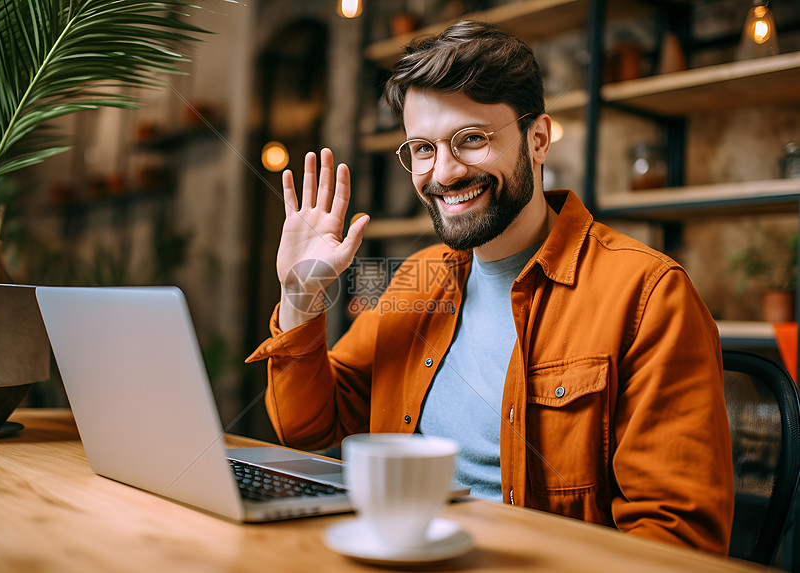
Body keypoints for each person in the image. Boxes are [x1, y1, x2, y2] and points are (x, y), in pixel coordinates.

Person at [247, 20, 733, 554]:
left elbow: (677, 542)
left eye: (471, 139)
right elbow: (311, 430)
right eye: (423, 148)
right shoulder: (420, 275)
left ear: (538, 138)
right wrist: (302, 294)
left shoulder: (649, 294)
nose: (445, 173)